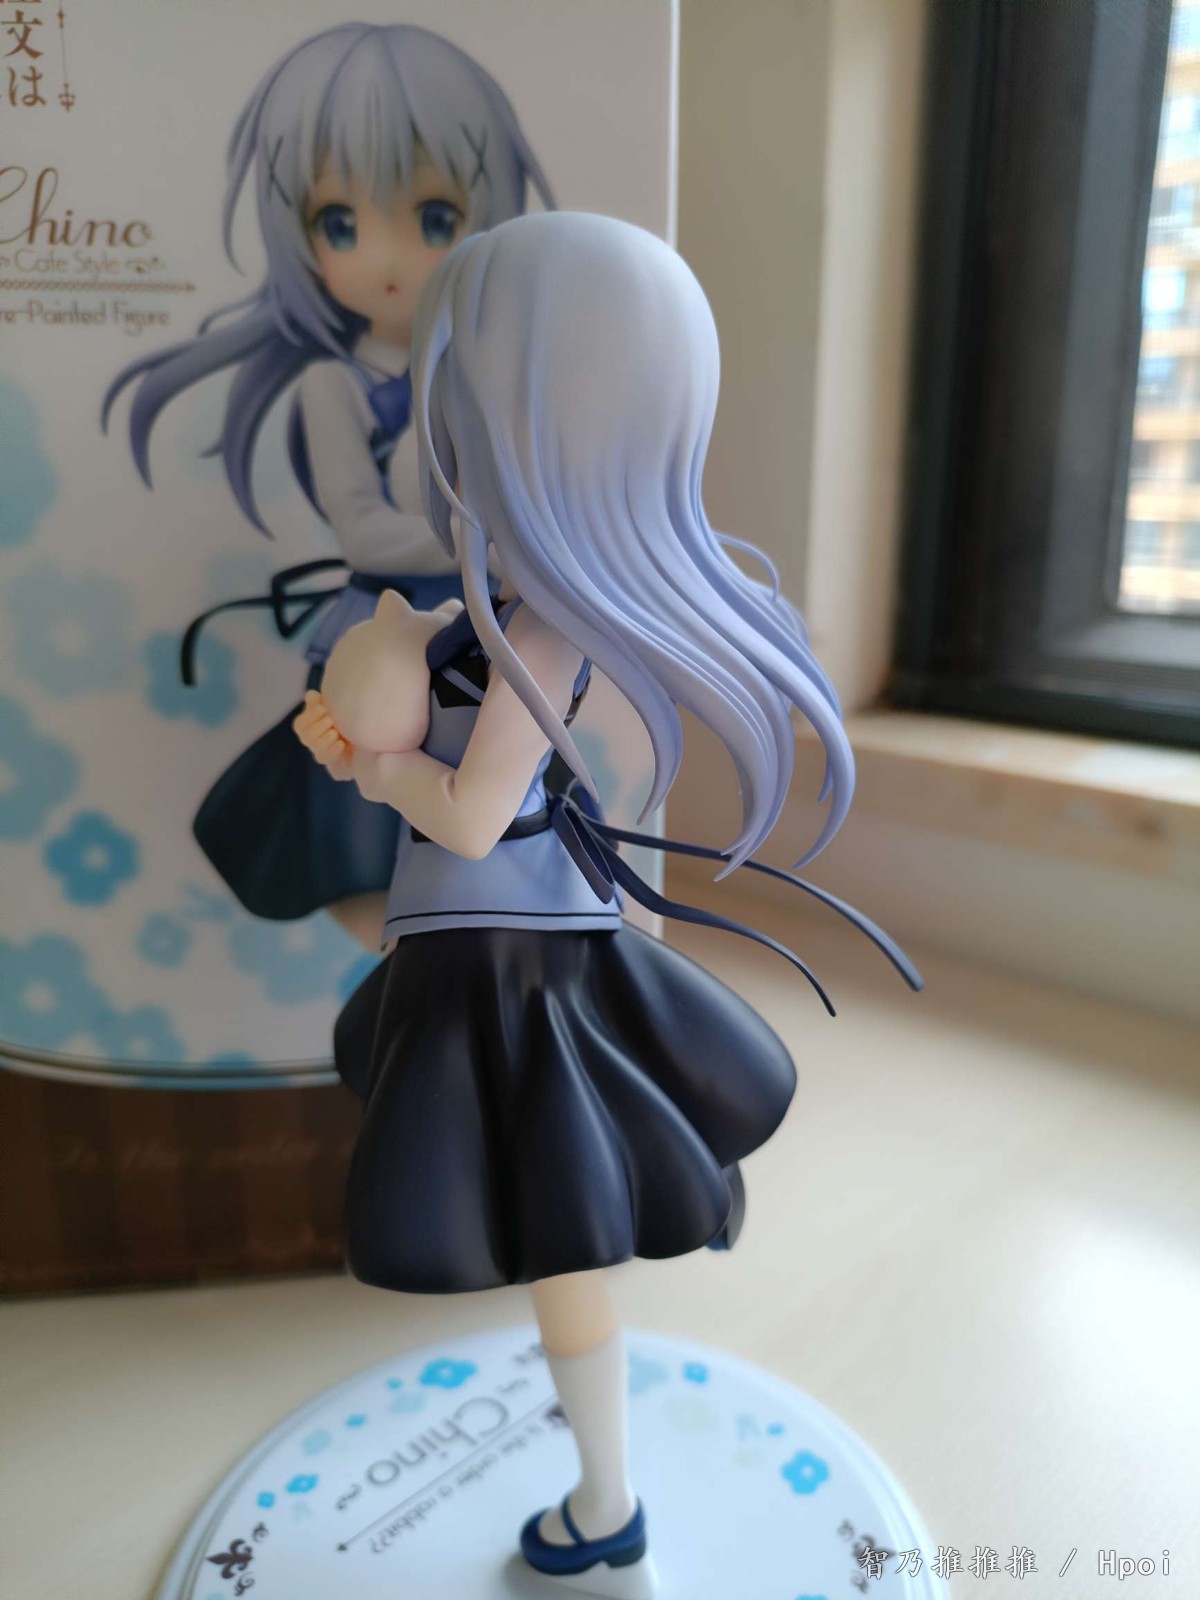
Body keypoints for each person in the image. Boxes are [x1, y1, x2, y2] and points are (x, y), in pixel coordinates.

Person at [295, 211, 920, 1598]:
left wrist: (384, 771)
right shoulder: (496, 609)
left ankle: (609, 1501)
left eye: (467, 411)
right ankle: (605, 1493)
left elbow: (470, 816)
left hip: (507, 958)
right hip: (484, 942)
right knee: (543, 1222)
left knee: (558, 1238)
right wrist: (362, 727)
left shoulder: (541, 628)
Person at [103, 23, 553, 945]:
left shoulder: (490, 373)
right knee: (360, 843)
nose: (388, 259)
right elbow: (361, 530)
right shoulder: (335, 384)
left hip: (493, 634)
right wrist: (483, 540)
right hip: (389, 628)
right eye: (341, 223)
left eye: (435, 218)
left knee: (504, 817)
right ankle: (403, 981)